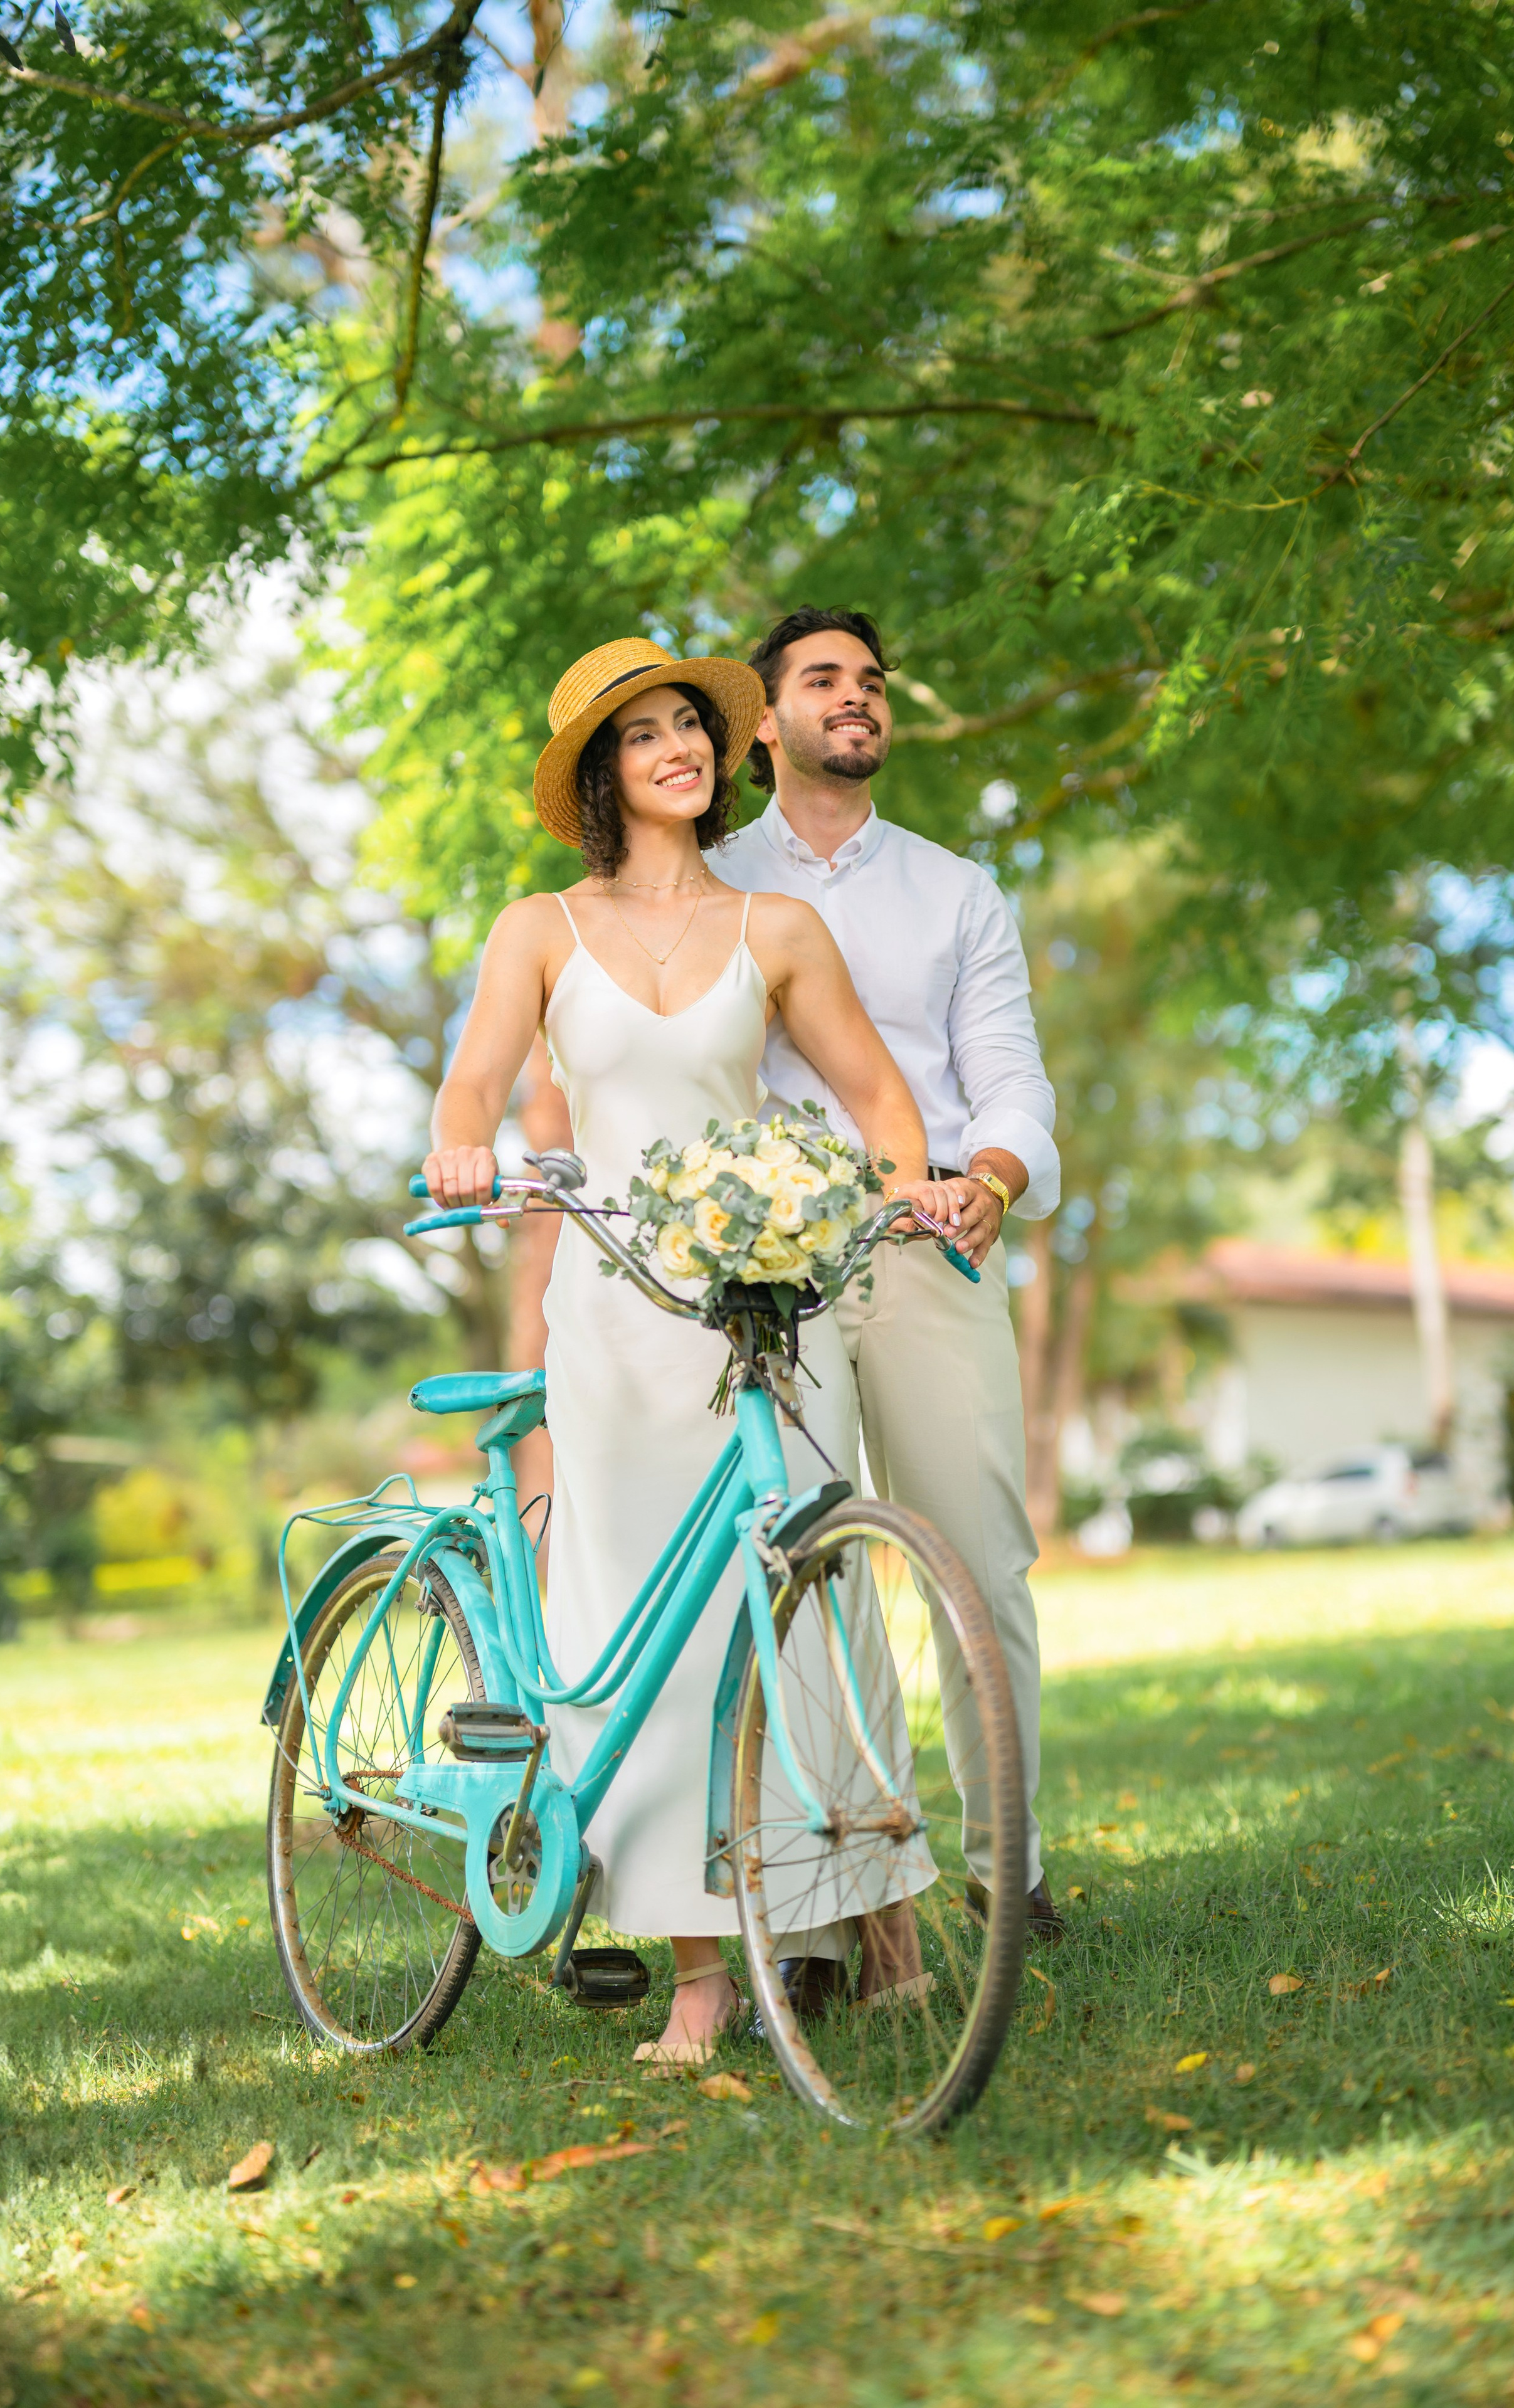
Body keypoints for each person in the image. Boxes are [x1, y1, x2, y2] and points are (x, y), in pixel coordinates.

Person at [422, 637, 948, 2065]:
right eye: (644, 733)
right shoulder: (540, 926)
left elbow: (876, 1097)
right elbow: (475, 1075)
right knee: (636, 1635)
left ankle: (859, 1907)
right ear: (602, 772)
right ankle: (703, 1970)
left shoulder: (776, 928)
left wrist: (908, 1183)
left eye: (692, 728)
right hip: (615, 1310)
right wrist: (463, 1143)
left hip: (765, 1295)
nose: (680, 747)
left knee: (805, 1604)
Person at [713, 606, 1063, 1990]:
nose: (855, 699)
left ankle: (1010, 1868)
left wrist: (991, 1170)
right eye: (821, 680)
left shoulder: (956, 889)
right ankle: (813, 1915)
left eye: (868, 683)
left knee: (978, 1558)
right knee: (795, 1577)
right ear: (761, 720)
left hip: (928, 1243)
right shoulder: (709, 882)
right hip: (764, 1274)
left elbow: (1010, 1075)